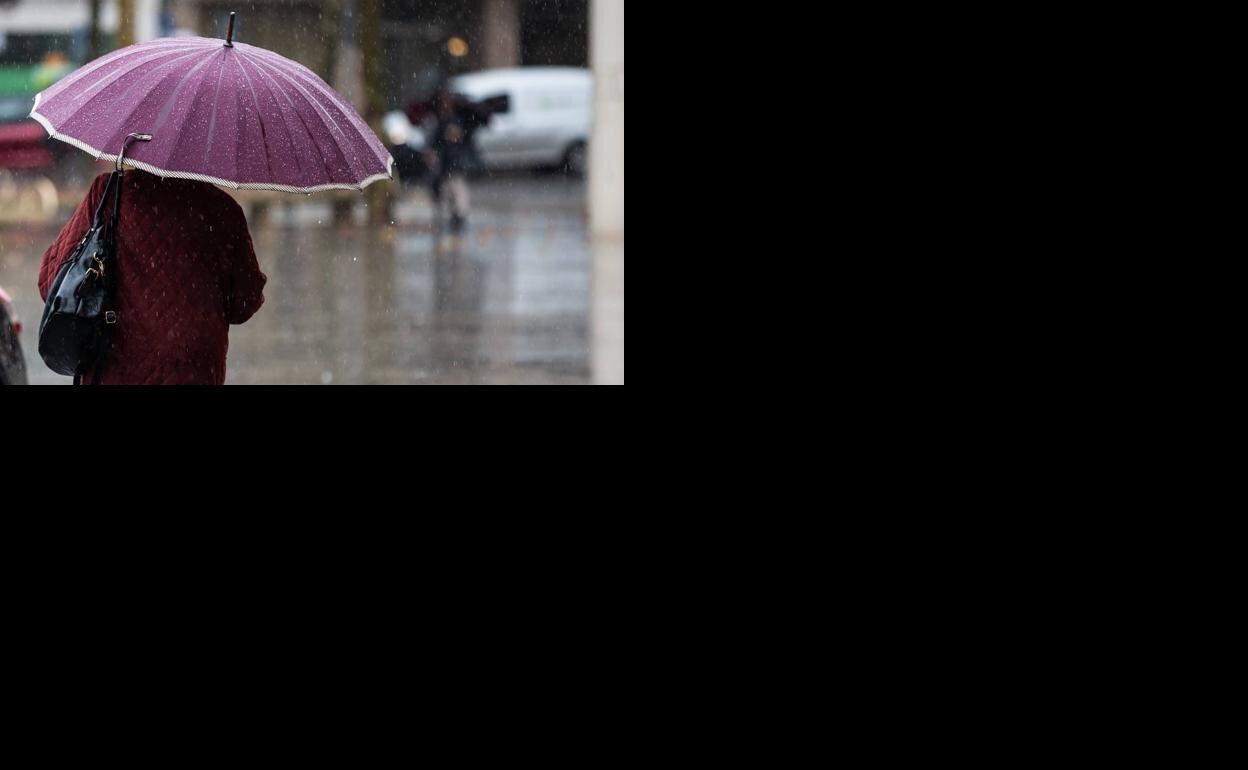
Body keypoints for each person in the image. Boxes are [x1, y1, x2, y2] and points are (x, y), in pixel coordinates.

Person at [38, 170, 267, 386]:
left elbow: (53, 286)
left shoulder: (109, 194)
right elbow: (244, 304)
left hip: (114, 366)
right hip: (194, 371)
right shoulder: (223, 210)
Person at [423, 89, 478, 234]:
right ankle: (452, 215)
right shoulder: (440, 121)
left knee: (458, 190)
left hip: (457, 162)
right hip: (445, 162)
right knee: (446, 191)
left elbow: (468, 140)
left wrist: (460, 136)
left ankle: (459, 216)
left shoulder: (462, 120)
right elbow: (435, 142)